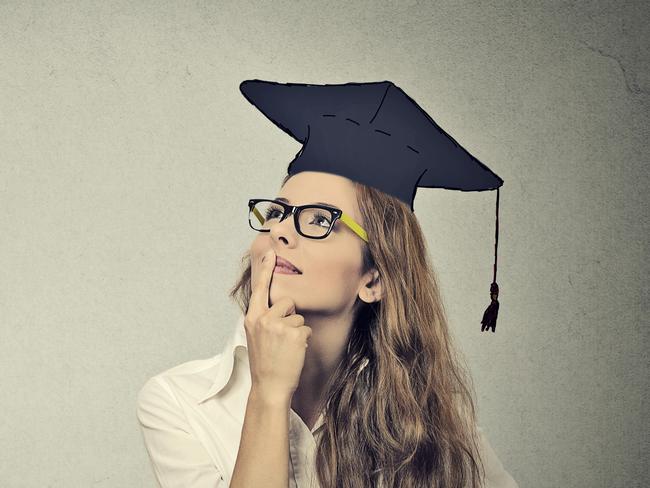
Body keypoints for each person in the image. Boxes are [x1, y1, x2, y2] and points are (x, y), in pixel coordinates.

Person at [136, 80, 518, 487]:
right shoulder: (179, 402)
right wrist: (269, 394)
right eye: (278, 212)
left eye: (320, 219)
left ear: (375, 278)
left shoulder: (434, 416)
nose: (282, 231)